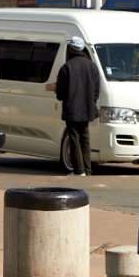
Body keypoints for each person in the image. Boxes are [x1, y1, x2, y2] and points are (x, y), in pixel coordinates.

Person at [55, 36, 100, 176]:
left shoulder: (66, 67)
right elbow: (96, 92)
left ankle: (79, 170)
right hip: (87, 109)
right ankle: (87, 169)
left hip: (72, 110)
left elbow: (60, 93)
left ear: (71, 49)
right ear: (82, 49)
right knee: (85, 139)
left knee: (74, 139)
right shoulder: (92, 66)